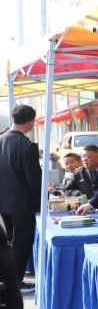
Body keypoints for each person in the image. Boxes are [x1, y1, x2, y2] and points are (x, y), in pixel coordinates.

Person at [0, 105, 40, 293]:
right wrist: (42, 202)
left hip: (4, 202)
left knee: (10, 242)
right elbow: (33, 178)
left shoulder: (1, 139)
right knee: (20, 243)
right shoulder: (27, 145)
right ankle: (14, 282)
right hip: (22, 204)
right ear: (31, 121)